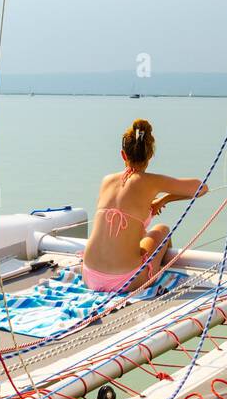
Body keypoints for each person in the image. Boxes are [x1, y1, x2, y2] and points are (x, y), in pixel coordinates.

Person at [81, 118, 207, 293]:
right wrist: (165, 199)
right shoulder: (152, 181)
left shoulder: (106, 181)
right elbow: (201, 188)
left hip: (89, 275)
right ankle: (162, 269)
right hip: (125, 281)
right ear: (150, 155)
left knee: (139, 236)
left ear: (123, 155)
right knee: (162, 230)